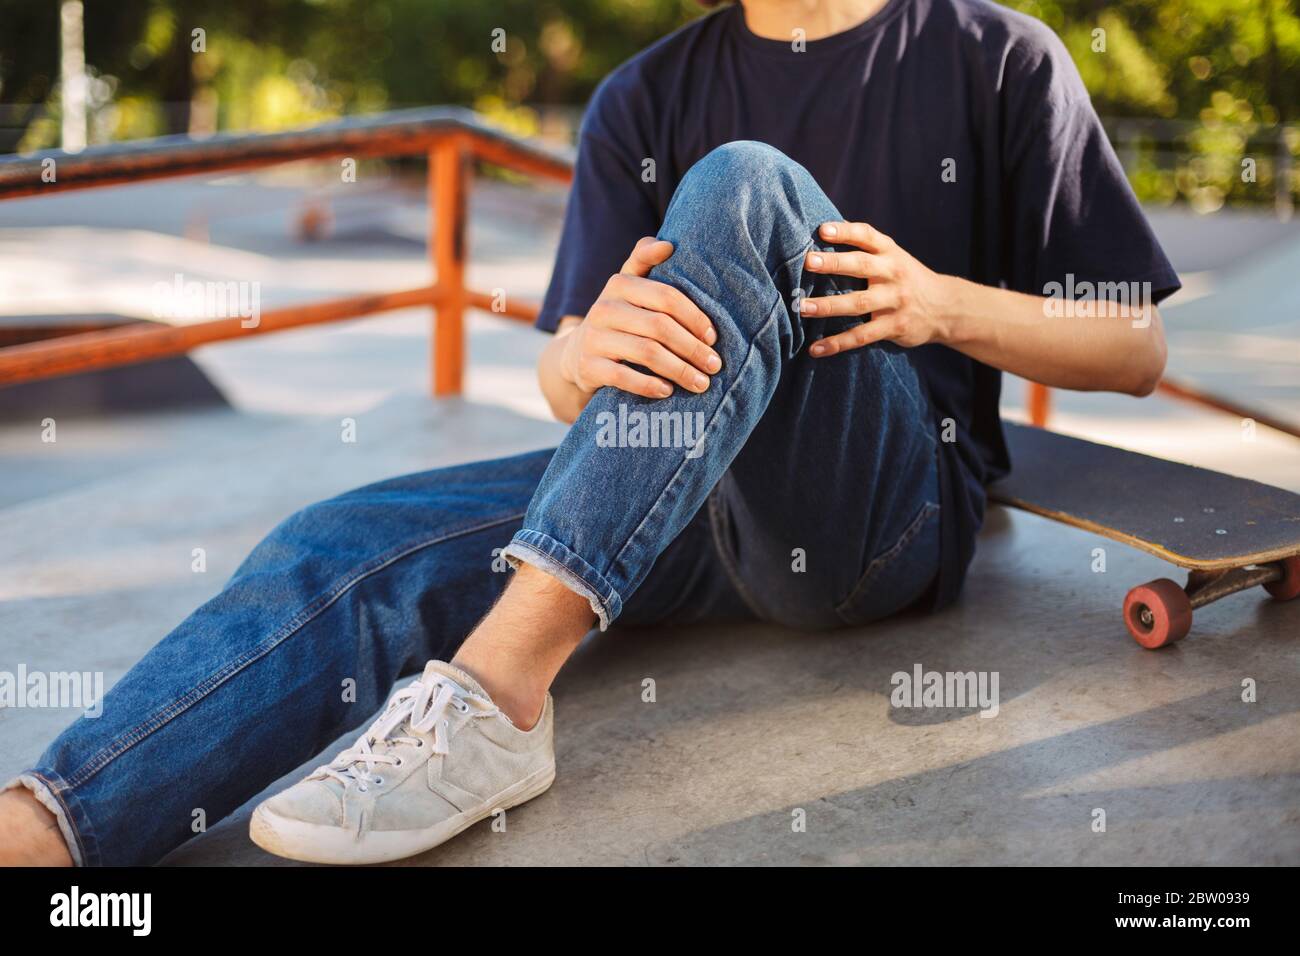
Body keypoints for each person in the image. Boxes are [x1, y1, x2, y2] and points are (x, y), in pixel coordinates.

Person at [0, 0, 1177, 866]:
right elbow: (570, 381)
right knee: (343, 536)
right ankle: (56, 819)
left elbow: (1133, 349)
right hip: (675, 493)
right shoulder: (642, 95)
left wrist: (936, 304)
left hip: (879, 509)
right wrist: (582, 352)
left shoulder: (997, 57)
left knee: (747, 186)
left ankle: (497, 695)